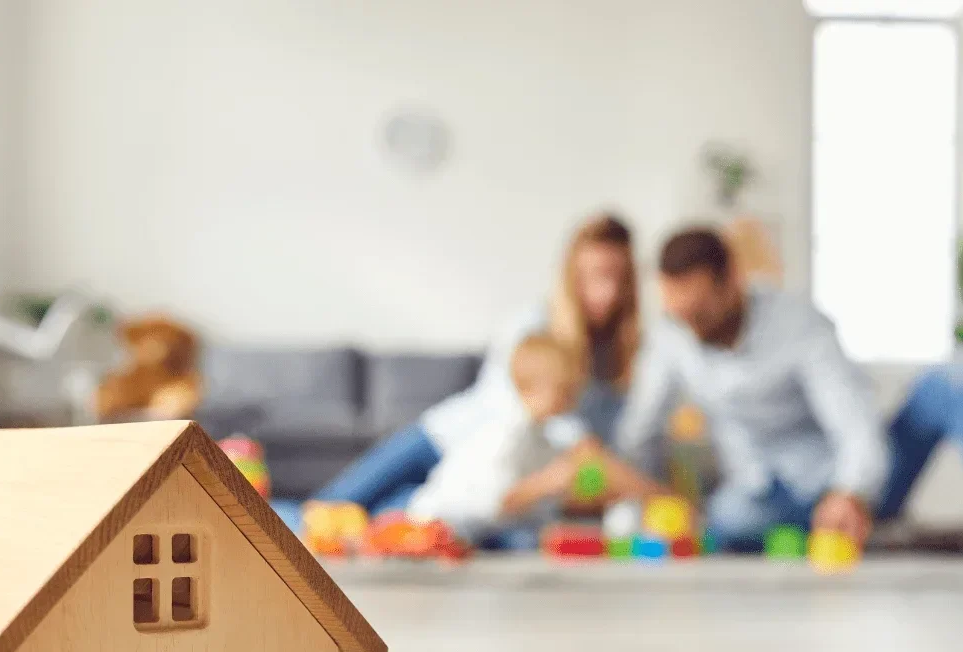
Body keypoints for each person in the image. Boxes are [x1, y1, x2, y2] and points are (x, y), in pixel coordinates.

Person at [303, 214, 664, 530]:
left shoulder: (623, 357)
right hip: (442, 440)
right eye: (596, 277)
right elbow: (546, 421)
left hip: (482, 483)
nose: (607, 292)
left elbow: (609, 445)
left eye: (618, 278)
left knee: (387, 525)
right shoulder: (532, 327)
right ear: (572, 275)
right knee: (325, 510)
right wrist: (646, 487)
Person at [619, 226, 963, 551]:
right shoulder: (670, 338)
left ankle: (856, 521)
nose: (691, 329)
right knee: (729, 519)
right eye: (681, 316)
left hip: (851, 483)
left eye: (701, 313)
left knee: (942, 386)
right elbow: (640, 433)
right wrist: (647, 499)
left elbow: (854, 422)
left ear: (733, 280)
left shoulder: (798, 324)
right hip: (763, 497)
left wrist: (851, 491)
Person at [405, 334, 580, 538]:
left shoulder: (544, 438)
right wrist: (545, 483)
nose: (572, 398)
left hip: (482, 528)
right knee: (524, 541)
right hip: (439, 520)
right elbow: (498, 502)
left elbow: (536, 508)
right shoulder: (507, 434)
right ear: (533, 387)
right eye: (564, 390)